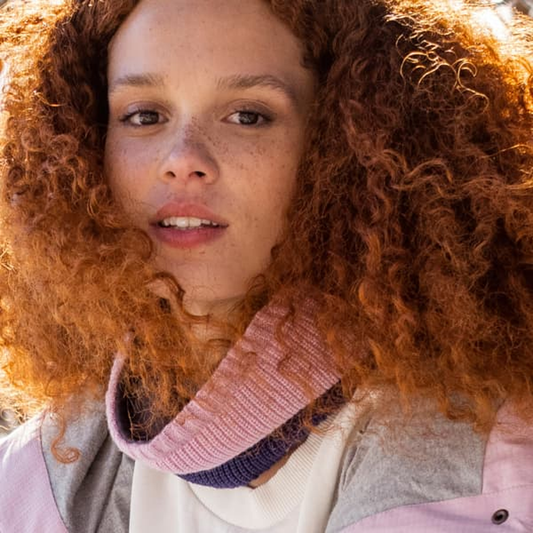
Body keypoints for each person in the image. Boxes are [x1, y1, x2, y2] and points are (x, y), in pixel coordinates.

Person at [1, 0, 533, 531]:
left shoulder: (482, 453)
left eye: (248, 116)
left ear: (349, 145)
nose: (183, 158)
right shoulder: (43, 473)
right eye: (144, 116)